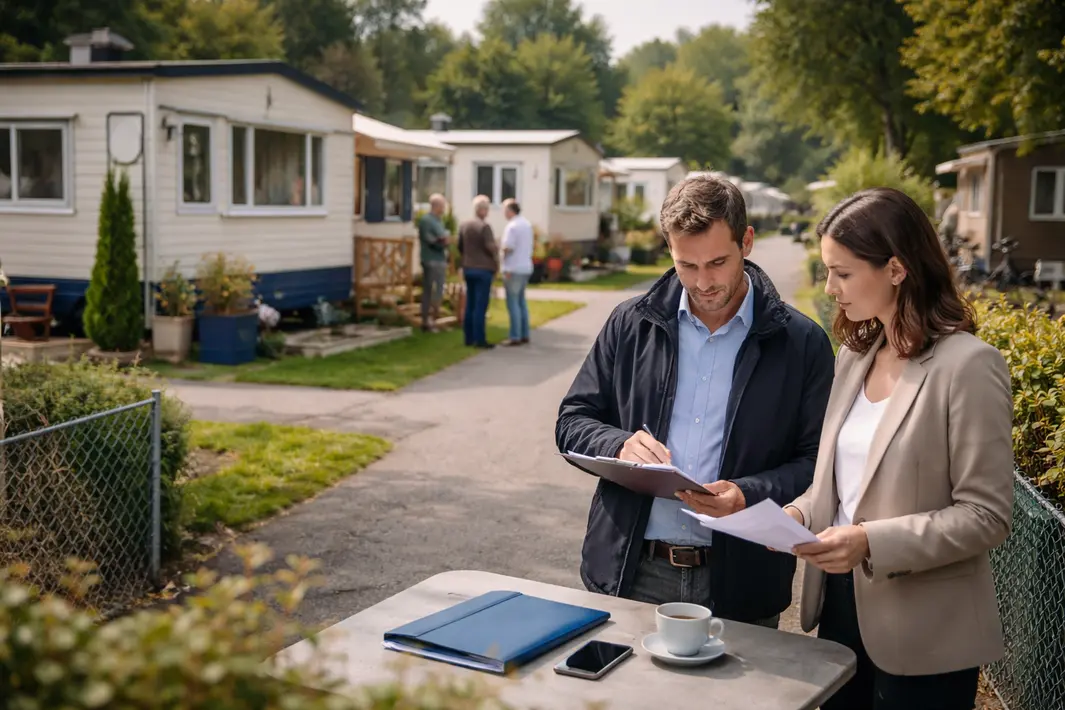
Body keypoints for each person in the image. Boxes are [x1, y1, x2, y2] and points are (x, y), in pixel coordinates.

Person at [555, 174, 835, 626]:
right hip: (632, 574)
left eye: (718, 262)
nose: (702, 282)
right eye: (686, 265)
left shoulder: (803, 343)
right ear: (669, 248)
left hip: (743, 582)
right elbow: (572, 419)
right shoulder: (630, 323)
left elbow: (818, 462)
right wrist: (618, 446)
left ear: (747, 241)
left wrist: (748, 493)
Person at [784, 187, 1014, 710]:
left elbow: (987, 516)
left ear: (896, 268)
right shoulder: (854, 356)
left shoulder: (970, 366)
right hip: (841, 609)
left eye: (842, 273)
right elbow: (842, 485)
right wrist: (794, 514)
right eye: (827, 271)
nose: (830, 287)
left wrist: (870, 541)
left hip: (926, 634)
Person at [458, 195, 499, 349]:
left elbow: (460, 245)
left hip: (468, 267)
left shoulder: (464, 225)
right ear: (482, 210)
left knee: (470, 303)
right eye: (487, 208)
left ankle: (468, 338)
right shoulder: (484, 227)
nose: (487, 212)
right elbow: (490, 247)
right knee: (481, 305)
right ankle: (479, 339)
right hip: (483, 269)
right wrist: (496, 248)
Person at [499, 198, 534, 346]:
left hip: (513, 268)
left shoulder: (512, 226)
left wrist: (501, 259)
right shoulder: (526, 224)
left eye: (504, 210)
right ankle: (525, 333)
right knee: (521, 302)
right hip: (525, 266)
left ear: (510, 210)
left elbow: (508, 247)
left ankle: (515, 336)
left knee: (513, 302)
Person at [418, 193, 451, 332]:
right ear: (435, 206)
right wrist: (443, 241)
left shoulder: (439, 221)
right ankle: (426, 321)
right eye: (442, 206)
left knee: (439, 290)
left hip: (440, 259)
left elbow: (443, 236)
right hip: (430, 259)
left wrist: (445, 240)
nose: (443, 209)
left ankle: (435, 320)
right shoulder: (426, 220)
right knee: (429, 290)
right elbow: (429, 239)